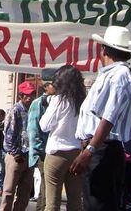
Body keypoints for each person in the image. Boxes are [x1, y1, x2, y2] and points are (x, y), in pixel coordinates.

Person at [71, 25, 131, 210]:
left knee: (99, 205)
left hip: (103, 150)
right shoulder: (111, 75)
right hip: (99, 149)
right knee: (93, 203)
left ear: (104, 50)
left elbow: (108, 118)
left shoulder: (119, 76)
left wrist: (90, 150)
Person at [39, 65, 86, 211]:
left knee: (52, 203)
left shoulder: (59, 100)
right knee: (75, 201)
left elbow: (44, 126)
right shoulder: (83, 100)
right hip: (77, 153)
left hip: (57, 154)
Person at [0, 81, 35, 211]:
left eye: (32, 94)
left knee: (24, 193)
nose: (29, 97)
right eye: (26, 95)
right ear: (20, 95)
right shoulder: (15, 110)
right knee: (9, 191)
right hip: (16, 156)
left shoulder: (32, 110)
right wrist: (15, 153)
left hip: (28, 155)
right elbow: (9, 134)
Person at [27, 78, 55, 210]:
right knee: (46, 189)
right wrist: (38, 153)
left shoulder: (55, 102)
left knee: (47, 190)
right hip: (42, 153)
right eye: (53, 85)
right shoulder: (38, 103)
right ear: (46, 87)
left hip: (52, 152)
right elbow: (33, 130)